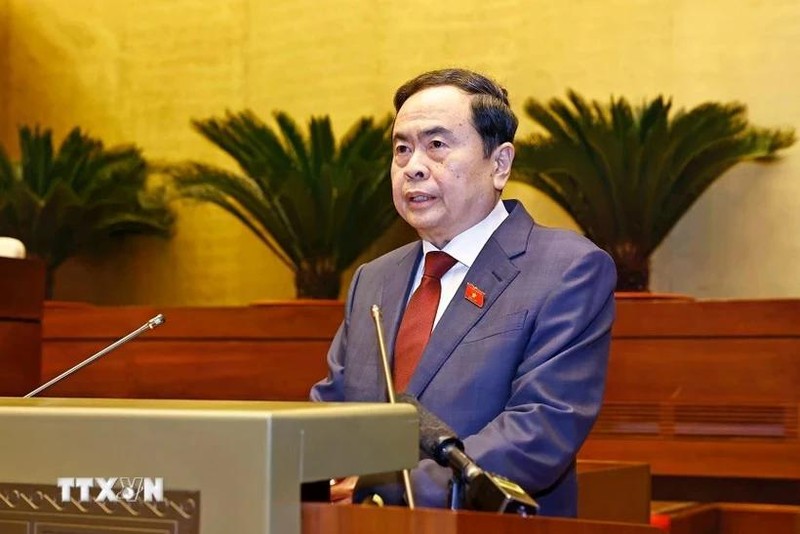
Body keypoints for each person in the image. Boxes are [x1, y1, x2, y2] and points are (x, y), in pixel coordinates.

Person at [310, 68, 616, 517]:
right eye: (401, 149)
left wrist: (384, 489)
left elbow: (539, 429)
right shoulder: (373, 279)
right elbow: (331, 409)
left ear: (500, 164)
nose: (413, 165)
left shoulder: (567, 269)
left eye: (436, 145)